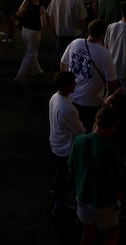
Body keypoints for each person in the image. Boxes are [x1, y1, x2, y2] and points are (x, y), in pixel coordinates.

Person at [67, 107, 126, 244]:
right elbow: (119, 180)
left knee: (88, 235)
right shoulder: (110, 150)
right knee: (112, 233)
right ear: (112, 127)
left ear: (96, 121)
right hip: (102, 202)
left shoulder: (80, 140)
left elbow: (70, 168)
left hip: (82, 198)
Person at [61, 19, 118, 132]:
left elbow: (63, 63)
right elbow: (112, 83)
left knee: (70, 130)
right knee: (86, 131)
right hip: (90, 101)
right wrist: (106, 99)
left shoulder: (75, 43)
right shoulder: (105, 54)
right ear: (103, 34)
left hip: (70, 95)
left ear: (88, 30)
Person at [49, 71, 85, 216]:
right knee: (74, 174)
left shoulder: (54, 98)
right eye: (73, 83)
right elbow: (79, 131)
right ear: (67, 86)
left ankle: (56, 194)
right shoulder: (68, 109)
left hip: (56, 142)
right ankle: (59, 198)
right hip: (66, 147)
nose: (75, 84)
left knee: (60, 171)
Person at [14, 0, 47, 85]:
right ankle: (19, 77)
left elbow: (19, 12)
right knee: (30, 53)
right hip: (34, 33)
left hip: (24, 30)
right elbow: (44, 24)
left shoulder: (26, 3)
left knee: (31, 51)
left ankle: (36, 70)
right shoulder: (41, 8)